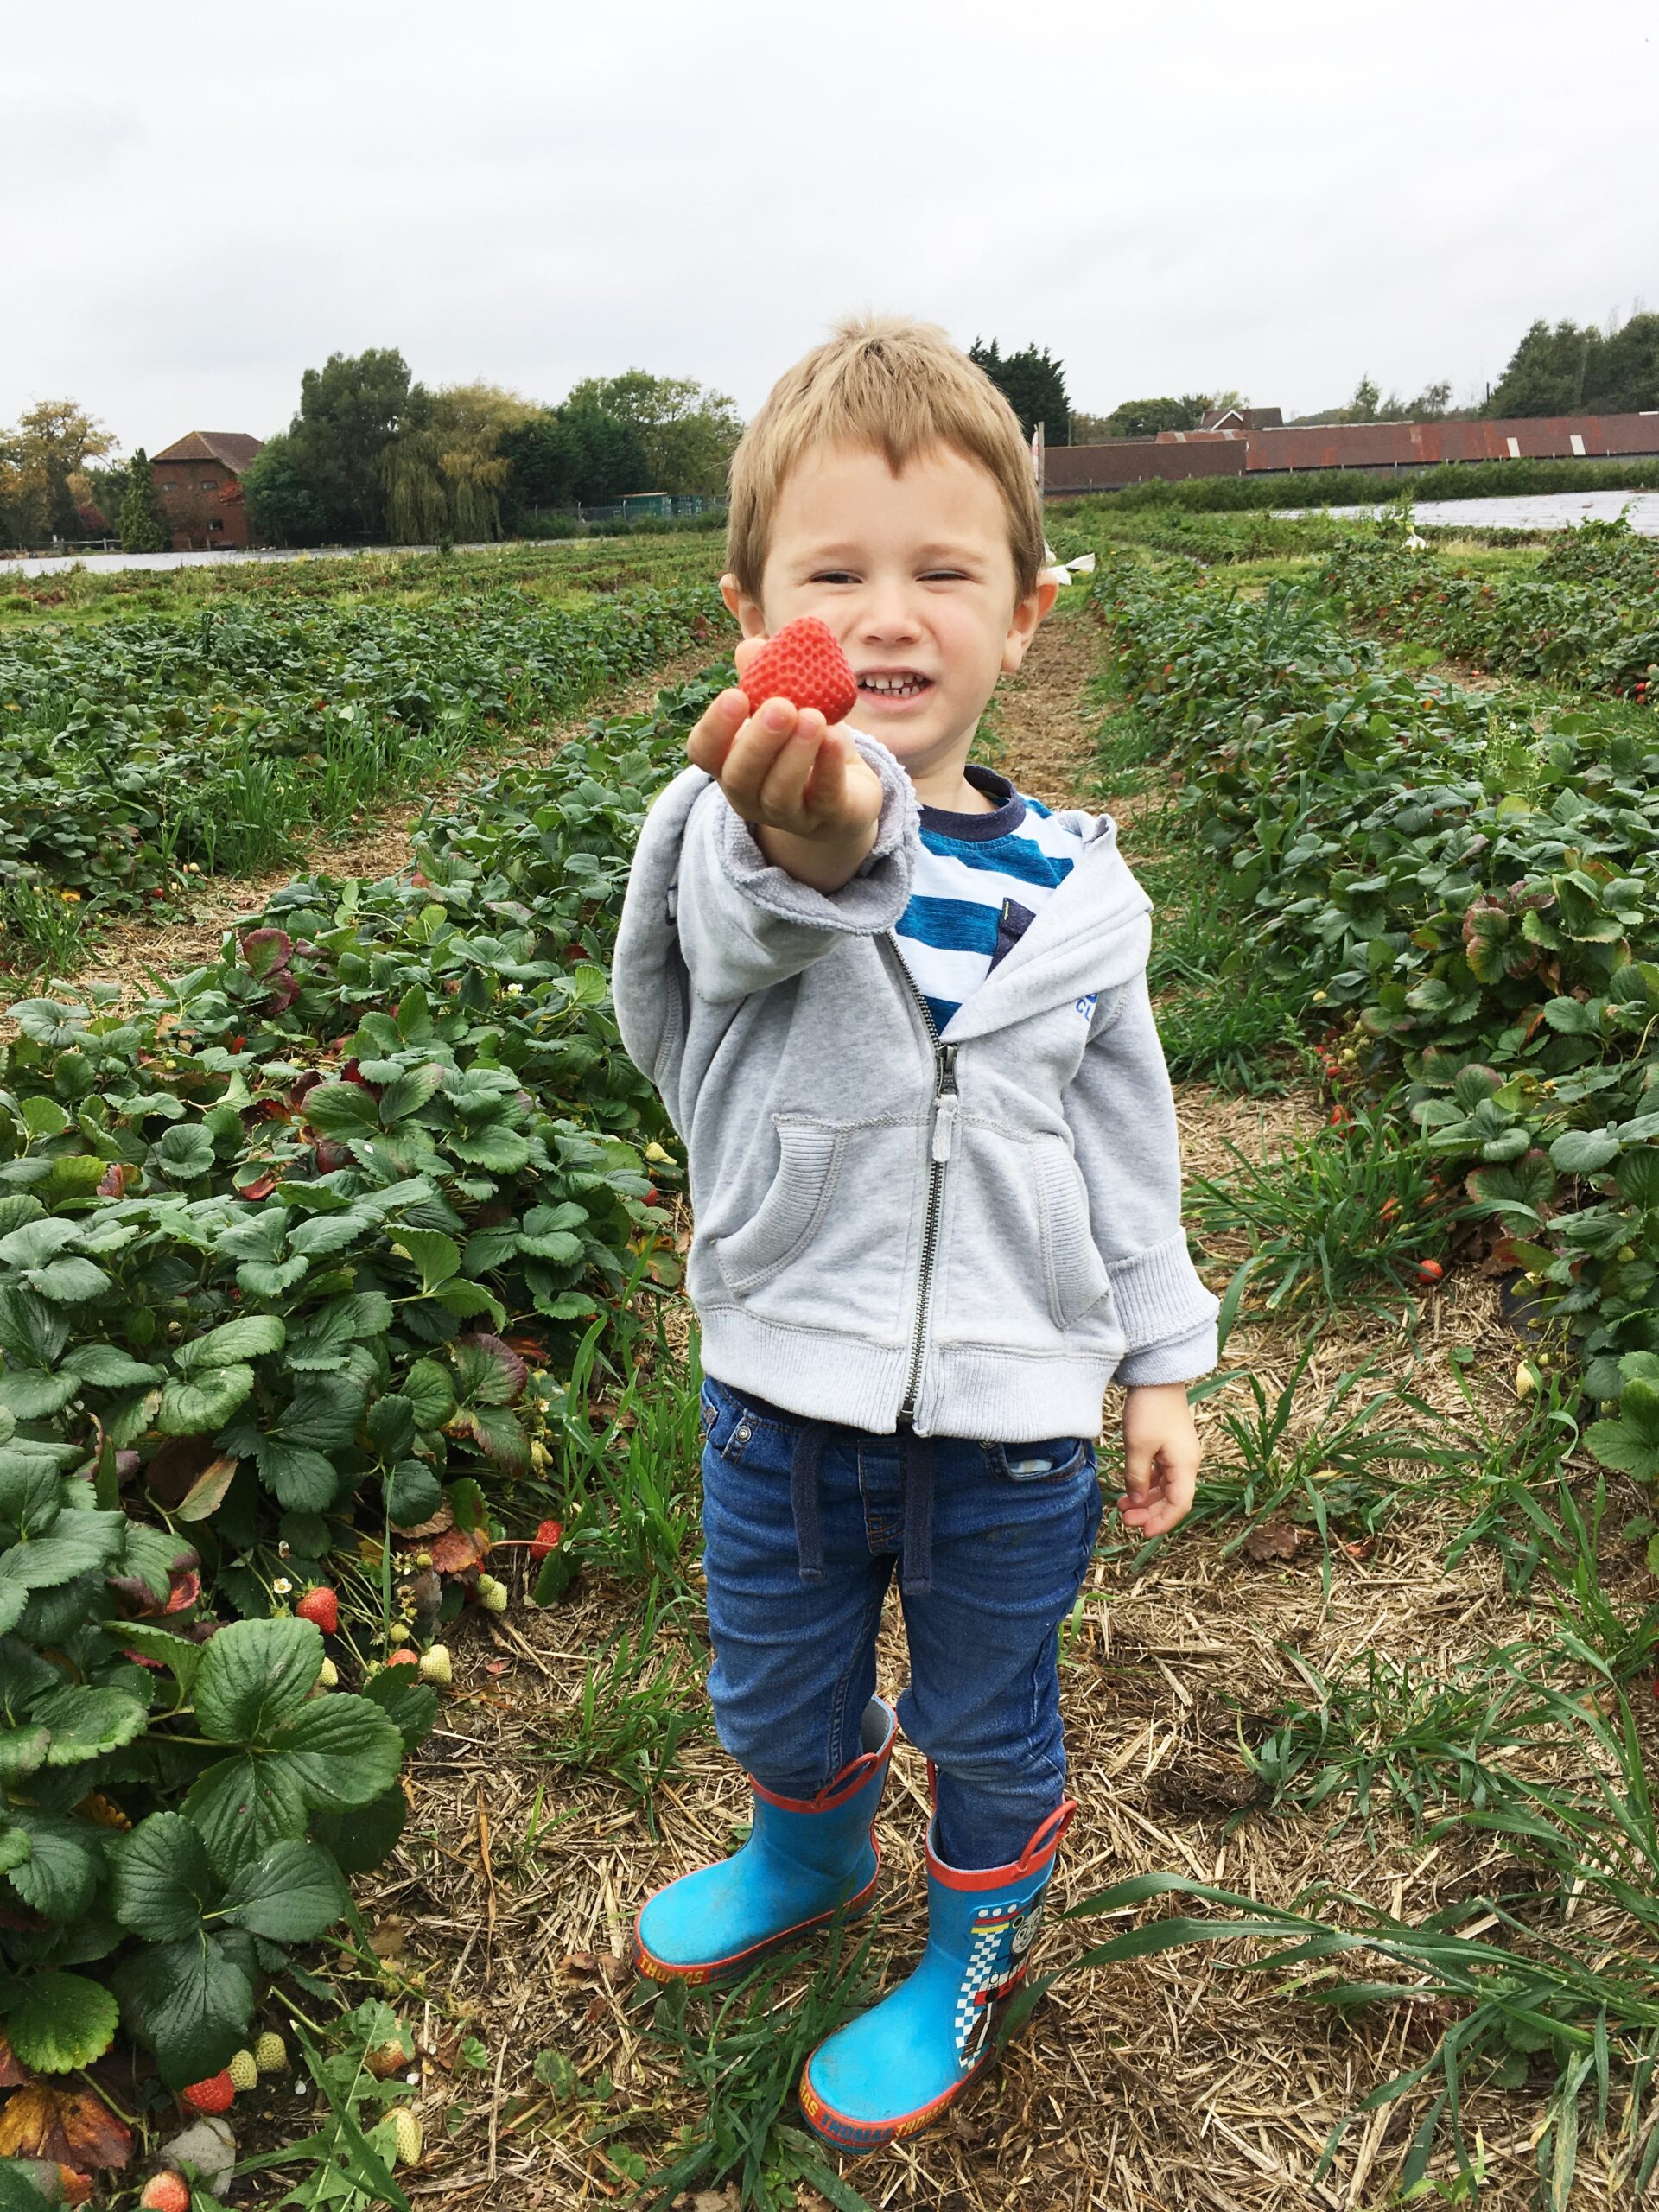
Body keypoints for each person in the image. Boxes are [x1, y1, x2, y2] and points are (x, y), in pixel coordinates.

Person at [613, 315, 1217, 2154]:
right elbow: (724, 942)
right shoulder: (736, 842)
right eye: (835, 572)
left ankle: (973, 1940)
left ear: (1025, 613)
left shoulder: (1081, 896)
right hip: (784, 1390)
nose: (887, 613)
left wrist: (1162, 1353)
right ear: (753, 610)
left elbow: (1127, 1135)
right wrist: (798, 843)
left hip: (1015, 1421)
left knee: (989, 1707)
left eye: (942, 569)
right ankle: (806, 1842)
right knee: (778, 1681)